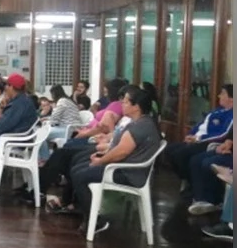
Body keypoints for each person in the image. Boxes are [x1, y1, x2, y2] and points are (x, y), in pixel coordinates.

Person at [66, 85, 164, 235]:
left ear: (136, 107)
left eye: (126, 102)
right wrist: (103, 154)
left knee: (80, 175)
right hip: (124, 167)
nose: (122, 104)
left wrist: (100, 161)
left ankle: (95, 220)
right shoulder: (141, 122)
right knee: (78, 168)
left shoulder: (140, 127)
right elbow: (120, 149)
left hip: (128, 173)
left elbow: (121, 152)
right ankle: (88, 213)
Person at [164, 84, 233, 185]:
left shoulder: (231, 114)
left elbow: (223, 134)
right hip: (196, 139)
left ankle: (190, 183)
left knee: (181, 155)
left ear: (231, 99)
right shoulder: (217, 110)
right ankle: (187, 179)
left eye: (222, 94)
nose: (219, 96)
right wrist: (190, 134)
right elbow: (200, 124)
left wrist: (198, 138)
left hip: (207, 142)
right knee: (169, 150)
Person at [187, 133, 233, 214]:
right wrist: (227, 143)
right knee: (196, 161)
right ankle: (199, 199)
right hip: (229, 152)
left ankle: (214, 201)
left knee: (208, 163)